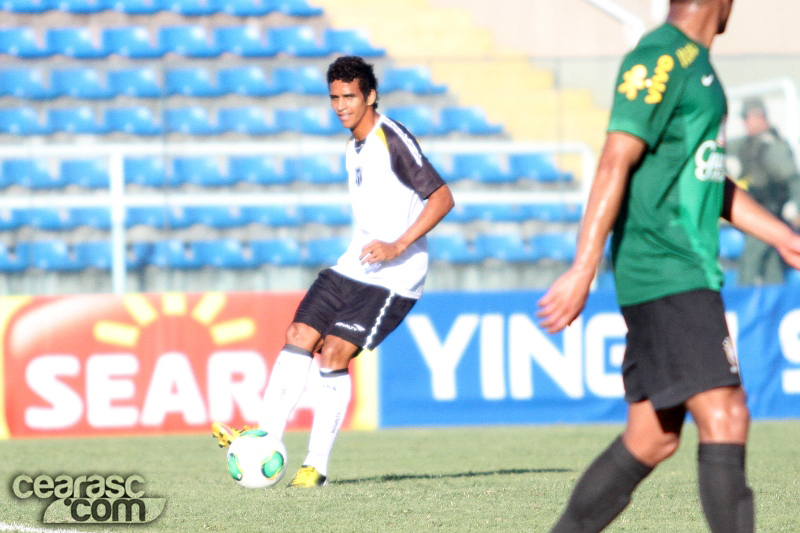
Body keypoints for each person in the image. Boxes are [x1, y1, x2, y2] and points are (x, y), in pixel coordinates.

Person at [537, 0, 800, 531]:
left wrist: (782, 235)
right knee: (727, 415)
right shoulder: (659, 55)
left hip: (681, 269)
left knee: (651, 437)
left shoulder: (697, 66)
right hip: (666, 266)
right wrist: (583, 268)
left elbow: (703, 174)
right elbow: (616, 156)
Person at [212, 56, 454, 487]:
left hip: (396, 276)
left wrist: (398, 245)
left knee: (335, 352)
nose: (341, 106)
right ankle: (265, 437)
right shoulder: (351, 147)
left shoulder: (391, 138)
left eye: (350, 97)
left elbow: (441, 198)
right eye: (335, 98)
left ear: (370, 96)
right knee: (299, 336)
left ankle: (315, 465)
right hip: (354, 264)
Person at [727, 97, 800, 285]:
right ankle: (773, 308)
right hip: (755, 209)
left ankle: (743, 304)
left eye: (747, 118)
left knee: (750, 263)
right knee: (771, 265)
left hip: (768, 212)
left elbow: (792, 179)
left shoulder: (773, 146)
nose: (744, 123)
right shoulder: (749, 143)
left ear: (759, 117)